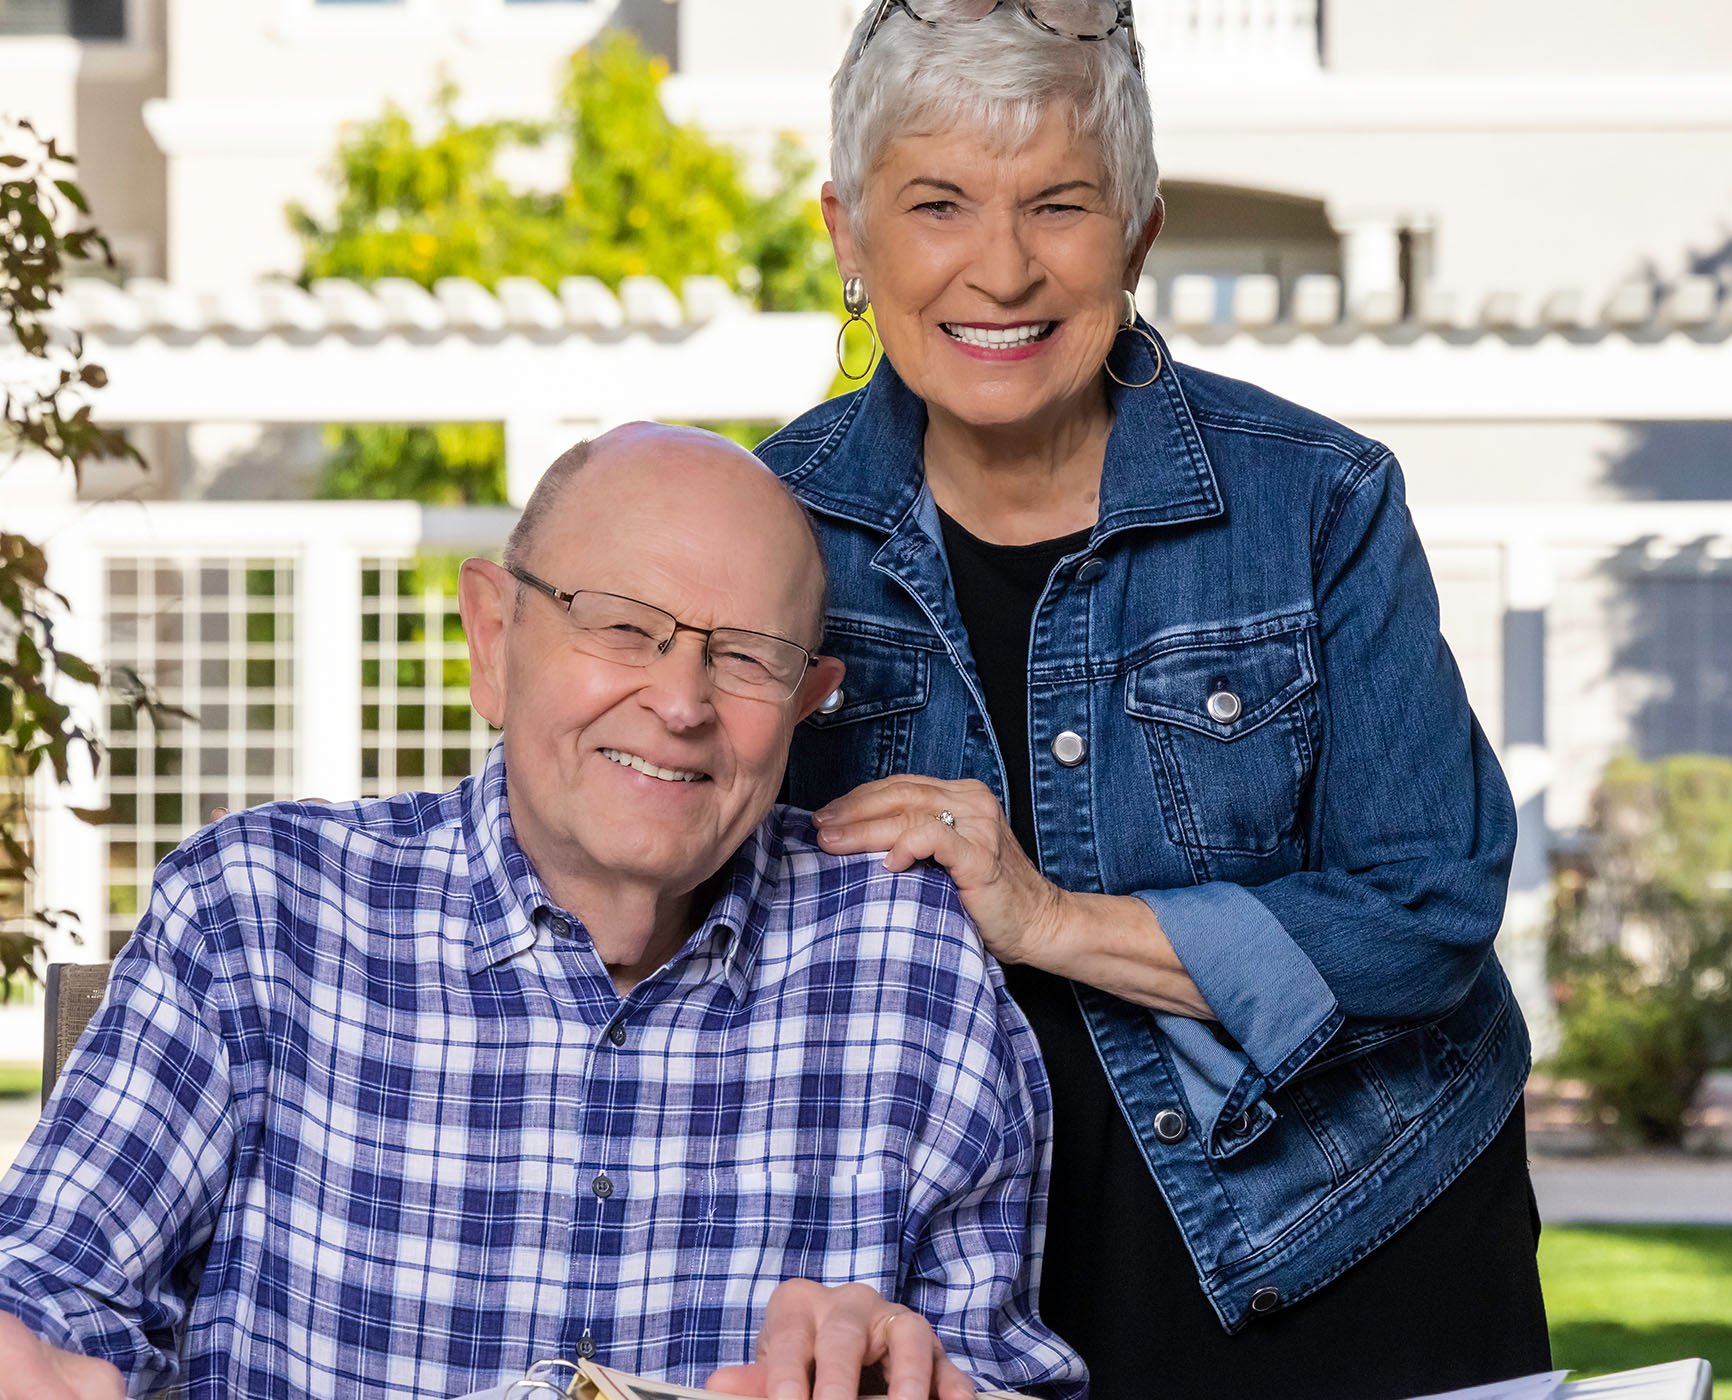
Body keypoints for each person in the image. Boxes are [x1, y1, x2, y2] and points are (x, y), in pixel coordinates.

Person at [753, 4, 1552, 1398]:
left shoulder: (1315, 500)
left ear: (1138, 232)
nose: (1000, 269)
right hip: (952, 1278)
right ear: (847, 235)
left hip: (1349, 1226)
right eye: (937, 203)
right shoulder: (769, 528)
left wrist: (1046, 917)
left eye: (1058, 203)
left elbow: (1428, 911)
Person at [0, 424, 1085, 1400]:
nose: (680, 702)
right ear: (492, 634)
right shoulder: (257, 911)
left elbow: (998, 1372)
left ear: (806, 703)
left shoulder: (909, 960)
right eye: (623, 626)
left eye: (748, 658)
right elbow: (54, 1284)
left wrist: (912, 1377)